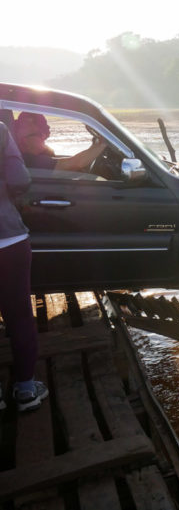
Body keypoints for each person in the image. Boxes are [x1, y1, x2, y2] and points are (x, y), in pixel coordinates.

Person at [0, 122, 48, 412]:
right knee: (19, 316)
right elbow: (19, 180)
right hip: (9, 239)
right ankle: (26, 391)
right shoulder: (0, 130)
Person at [13, 112, 107, 172]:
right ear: (25, 140)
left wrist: (95, 146)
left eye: (45, 136)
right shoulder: (27, 160)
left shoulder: (35, 155)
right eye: (40, 135)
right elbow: (76, 163)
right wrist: (103, 143)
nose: (44, 140)